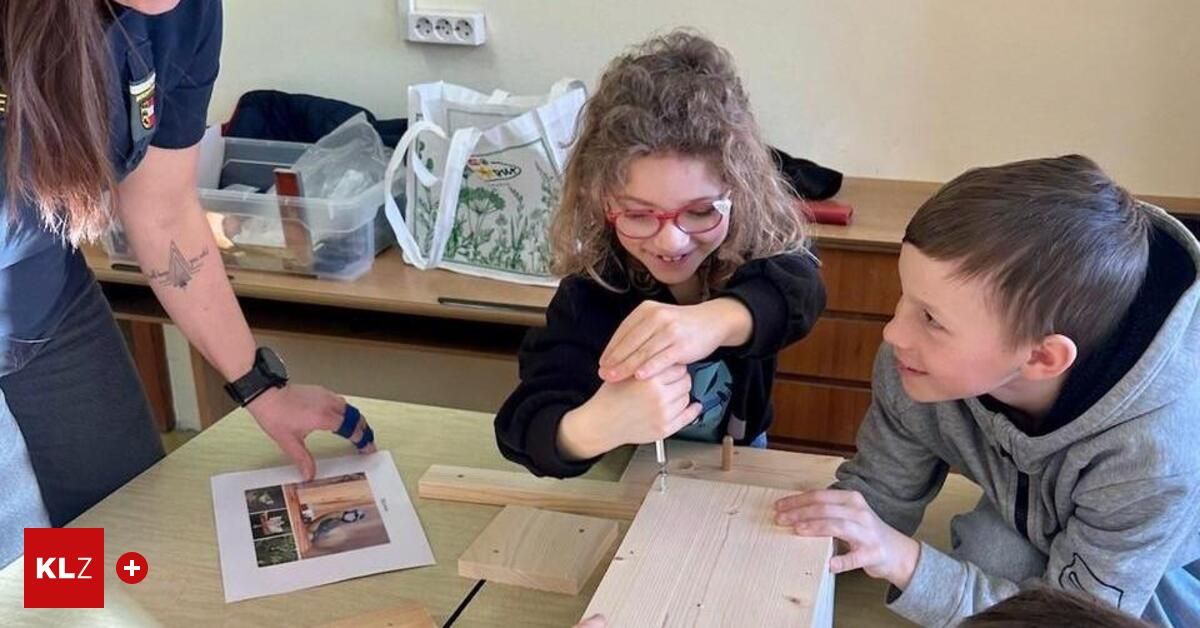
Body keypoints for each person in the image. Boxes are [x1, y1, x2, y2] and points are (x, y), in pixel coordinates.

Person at [0, 0, 373, 566]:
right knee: (24, 571)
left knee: (124, 537)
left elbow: (164, 210)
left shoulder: (182, 16)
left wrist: (261, 387)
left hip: (46, 304)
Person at [774, 155, 1200, 626]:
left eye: (931, 318)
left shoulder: (1154, 455)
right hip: (1035, 518)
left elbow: (1075, 620)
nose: (894, 332)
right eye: (905, 297)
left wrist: (905, 561)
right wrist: (815, 535)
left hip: (1160, 561)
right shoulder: (915, 361)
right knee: (992, 553)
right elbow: (880, 498)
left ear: (1041, 357)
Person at [494, 31, 825, 478]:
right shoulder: (595, 290)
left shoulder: (758, 247)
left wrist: (716, 320)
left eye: (701, 211)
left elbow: (801, 290)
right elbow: (521, 426)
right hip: (629, 467)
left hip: (740, 455)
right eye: (638, 214)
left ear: (739, 191)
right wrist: (594, 426)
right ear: (603, 202)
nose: (671, 241)